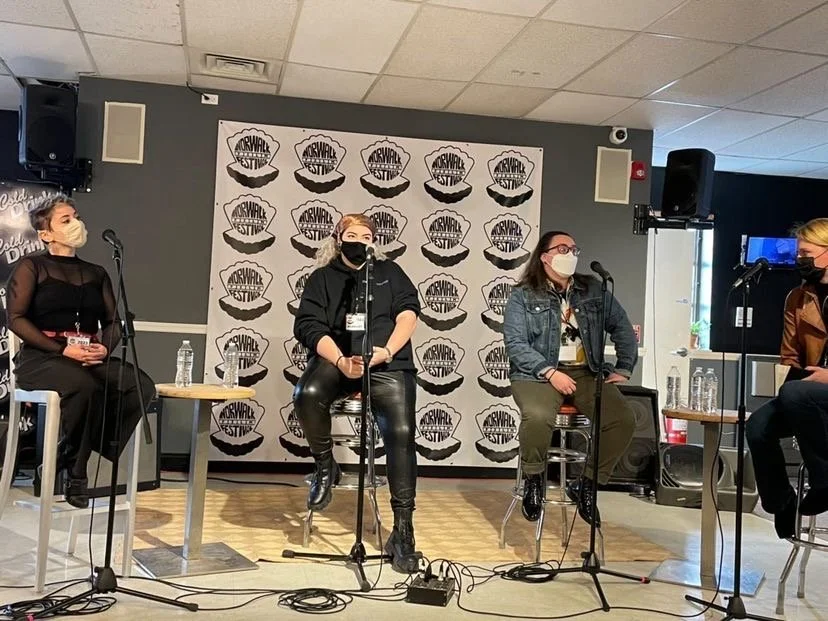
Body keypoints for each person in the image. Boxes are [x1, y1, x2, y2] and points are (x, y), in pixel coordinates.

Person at [6, 195, 155, 509]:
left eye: (76, 216)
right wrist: (62, 350)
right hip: (42, 357)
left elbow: (112, 322)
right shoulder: (32, 267)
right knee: (83, 385)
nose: (76, 223)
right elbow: (16, 318)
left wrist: (104, 347)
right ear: (46, 233)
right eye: (66, 219)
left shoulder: (96, 273)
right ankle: (76, 472)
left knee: (138, 385)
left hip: (87, 355)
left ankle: (69, 451)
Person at [292, 213, 421, 573]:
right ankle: (325, 465)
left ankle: (403, 530)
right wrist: (340, 360)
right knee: (307, 393)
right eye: (352, 235)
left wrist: (387, 351)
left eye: (366, 236)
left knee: (401, 432)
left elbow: (409, 313)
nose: (359, 241)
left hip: (385, 360)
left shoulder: (390, 273)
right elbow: (307, 325)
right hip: (338, 359)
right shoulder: (322, 278)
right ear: (337, 239)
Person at [503, 231, 638, 527]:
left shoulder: (594, 290)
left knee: (622, 419)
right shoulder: (523, 295)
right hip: (537, 373)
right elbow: (515, 344)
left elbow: (622, 326)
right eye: (563, 249)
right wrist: (550, 372)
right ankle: (534, 479)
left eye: (574, 249)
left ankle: (586, 483)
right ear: (545, 257)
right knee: (537, 416)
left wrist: (624, 367)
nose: (571, 254)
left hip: (585, 371)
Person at [746, 218, 828, 538]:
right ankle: (782, 501)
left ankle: (824, 480)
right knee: (758, 425)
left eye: (806, 252)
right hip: (807, 392)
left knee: (795, 394)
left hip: (817, 390)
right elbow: (791, 357)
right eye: (798, 253)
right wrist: (787, 397)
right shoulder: (797, 298)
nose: (800, 259)